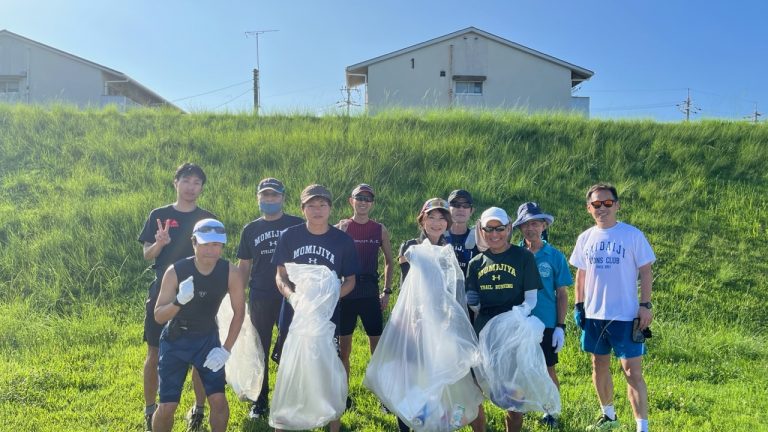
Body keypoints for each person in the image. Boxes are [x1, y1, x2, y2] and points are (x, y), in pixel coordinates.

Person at [272, 184, 359, 432]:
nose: (317, 210)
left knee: (329, 364)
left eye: (322, 205)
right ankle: (286, 419)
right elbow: (280, 275)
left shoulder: (342, 240)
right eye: (311, 205)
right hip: (295, 312)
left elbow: (351, 280)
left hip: (326, 315)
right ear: (303, 209)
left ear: (330, 208)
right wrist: (292, 298)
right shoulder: (289, 236)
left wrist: (330, 298)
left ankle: (333, 422)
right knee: (290, 364)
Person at [570, 183, 655, 432]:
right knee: (599, 365)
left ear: (616, 205)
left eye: (607, 203)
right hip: (594, 315)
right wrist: (579, 306)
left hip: (626, 315)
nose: (602, 208)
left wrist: (645, 305)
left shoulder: (632, 235)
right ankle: (608, 416)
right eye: (596, 204)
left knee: (632, 372)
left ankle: (642, 427)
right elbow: (581, 276)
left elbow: (646, 271)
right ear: (589, 208)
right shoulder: (585, 238)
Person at [137, 162, 215, 431]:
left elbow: (215, 255)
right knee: (155, 349)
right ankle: (150, 410)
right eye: (186, 181)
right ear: (176, 183)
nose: (191, 187)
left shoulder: (207, 218)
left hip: (200, 293)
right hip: (164, 290)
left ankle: (198, 410)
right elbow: (147, 254)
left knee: (201, 351)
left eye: (197, 182)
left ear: (202, 187)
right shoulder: (159, 215)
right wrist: (159, 243)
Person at [152, 218, 246, 432]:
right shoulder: (176, 271)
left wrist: (225, 350)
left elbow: (239, 313)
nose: (210, 250)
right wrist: (178, 301)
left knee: (219, 401)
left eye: (216, 245)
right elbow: (158, 316)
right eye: (204, 244)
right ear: (193, 243)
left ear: (222, 246)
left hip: (207, 338)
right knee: (167, 406)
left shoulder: (230, 272)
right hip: (176, 339)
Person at [465, 207, 543, 432]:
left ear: (509, 228)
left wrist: (512, 318)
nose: (494, 233)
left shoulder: (523, 257)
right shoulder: (476, 263)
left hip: (513, 332)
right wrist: (473, 302)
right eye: (488, 229)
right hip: (484, 331)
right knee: (479, 385)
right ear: (481, 230)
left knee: (514, 391)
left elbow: (531, 299)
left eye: (499, 228)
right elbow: (477, 305)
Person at [235, 177, 303, 419]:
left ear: (283, 197)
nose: (270, 200)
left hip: (291, 296)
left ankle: (291, 398)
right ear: (258, 199)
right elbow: (244, 266)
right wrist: (238, 297)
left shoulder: (297, 224)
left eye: (274, 195)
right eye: (265, 195)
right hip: (261, 295)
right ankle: (261, 401)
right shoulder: (250, 229)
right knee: (260, 348)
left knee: (292, 346)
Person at [512, 202, 572, 429]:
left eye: (535, 223)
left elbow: (562, 294)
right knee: (520, 369)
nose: (530, 229)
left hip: (546, 322)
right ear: (520, 228)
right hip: (520, 323)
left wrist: (560, 326)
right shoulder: (514, 254)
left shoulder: (554, 256)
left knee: (547, 368)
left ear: (544, 225)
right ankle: (521, 408)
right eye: (525, 225)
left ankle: (552, 410)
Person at [335, 184, 394, 409]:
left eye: (367, 199)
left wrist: (387, 291)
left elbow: (389, 261)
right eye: (359, 198)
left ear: (372, 203)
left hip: (370, 294)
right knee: (344, 351)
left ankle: (384, 398)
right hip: (347, 294)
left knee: (377, 351)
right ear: (351, 201)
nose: (363, 202)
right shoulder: (342, 227)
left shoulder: (379, 229)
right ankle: (343, 396)